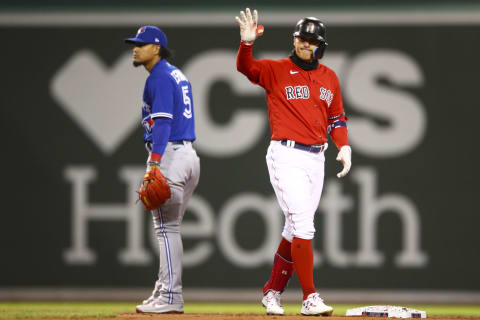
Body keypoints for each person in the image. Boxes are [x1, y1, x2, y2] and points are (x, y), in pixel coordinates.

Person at [235, 9, 352, 316]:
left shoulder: (329, 77)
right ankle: (310, 297)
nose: (304, 44)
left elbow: (337, 118)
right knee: (304, 224)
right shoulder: (276, 69)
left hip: (317, 158)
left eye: (311, 40)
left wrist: (344, 146)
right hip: (286, 155)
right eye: (301, 38)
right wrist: (246, 44)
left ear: (320, 45)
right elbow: (246, 68)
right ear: (294, 40)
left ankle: (271, 292)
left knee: (293, 229)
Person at [124, 25, 200, 314]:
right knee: (171, 228)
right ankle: (163, 289)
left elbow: (164, 123)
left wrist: (154, 162)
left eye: (141, 44)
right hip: (188, 155)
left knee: (166, 228)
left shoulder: (159, 77)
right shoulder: (175, 73)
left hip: (170, 154)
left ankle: (170, 295)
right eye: (134, 43)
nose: (135, 48)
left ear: (156, 48)